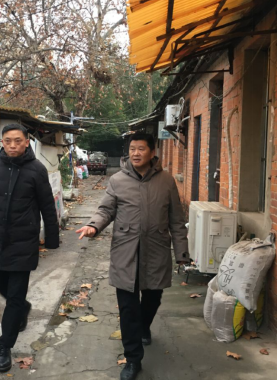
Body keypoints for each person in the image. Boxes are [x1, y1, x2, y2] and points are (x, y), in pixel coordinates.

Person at [76, 132, 189, 380]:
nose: (136, 153)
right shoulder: (117, 180)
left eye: (141, 149)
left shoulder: (167, 181)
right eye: (132, 149)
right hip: (125, 252)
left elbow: (177, 220)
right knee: (128, 308)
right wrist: (93, 226)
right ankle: (132, 359)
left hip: (156, 251)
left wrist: (182, 252)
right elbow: (105, 210)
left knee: (152, 299)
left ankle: (144, 326)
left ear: (152, 152)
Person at [0, 123, 59, 373]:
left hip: (23, 242)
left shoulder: (37, 169)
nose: (13, 145)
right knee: (3, 288)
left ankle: (4, 345)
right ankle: (23, 307)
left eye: (18, 141)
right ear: (3, 143)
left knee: (14, 297)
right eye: (8, 141)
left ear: (27, 142)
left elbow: (47, 206)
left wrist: (52, 238)